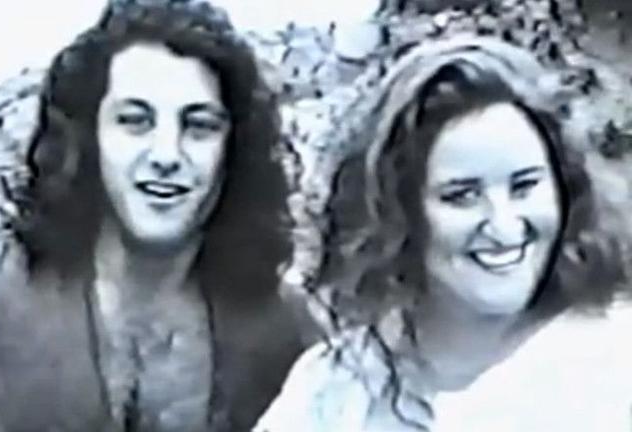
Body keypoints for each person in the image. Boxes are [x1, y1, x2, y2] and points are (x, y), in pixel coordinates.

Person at [0, 1, 304, 431]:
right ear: (87, 137)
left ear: (235, 148)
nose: (166, 155)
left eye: (199, 126)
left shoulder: (294, 337)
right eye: (134, 121)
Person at [255, 35, 632, 431]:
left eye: (524, 187)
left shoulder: (616, 360)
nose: (504, 226)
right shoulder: (339, 386)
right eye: (463, 196)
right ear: (399, 212)